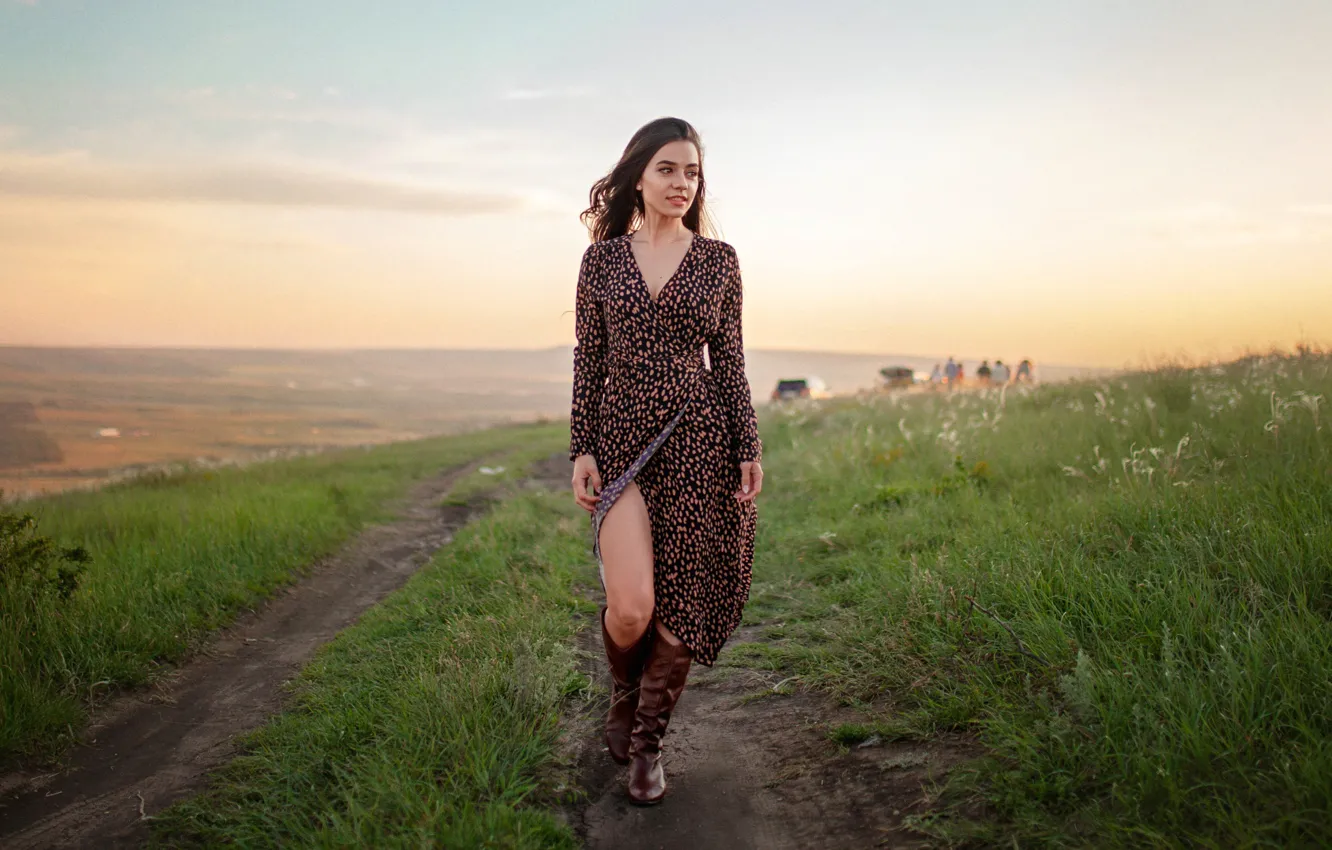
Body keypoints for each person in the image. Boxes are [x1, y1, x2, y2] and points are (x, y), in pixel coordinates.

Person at [568, 117, 764, 806]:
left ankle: (647, 746)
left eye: (692, 173)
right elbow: (589, 360)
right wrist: (582, 447)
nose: (682, 184)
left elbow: (732, 364)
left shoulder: (719, 260)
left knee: (680, 610)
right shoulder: (601, 261)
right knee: (631, 607)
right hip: (623, 444)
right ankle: (624, 691)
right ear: (639, 177)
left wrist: (748, 445)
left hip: (700, 442)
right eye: (668, 170)